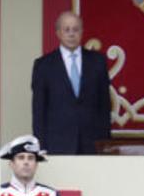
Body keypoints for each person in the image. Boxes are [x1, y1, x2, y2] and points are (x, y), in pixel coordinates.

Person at [32, 11, 112, 154]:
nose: (71, 34)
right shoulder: (44, 65)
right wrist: (40, 146)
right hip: (56, 144)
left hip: (92, 144)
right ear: (58, 33)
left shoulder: (97, 62)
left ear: (82, 32)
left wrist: (104, 143)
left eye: (75, 29)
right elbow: (39, 111)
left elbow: (104, 106)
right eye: (66, 29)